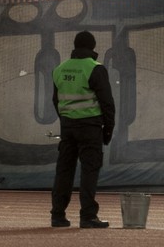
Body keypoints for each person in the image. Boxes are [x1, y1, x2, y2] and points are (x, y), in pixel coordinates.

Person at [50, 30, 116, 228]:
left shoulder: (60, 69)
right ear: (93, 47)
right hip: (90, 127)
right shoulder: (95, 68)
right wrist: (108, 129)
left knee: (64, 170)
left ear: (75, 46)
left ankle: (58, 215)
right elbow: (107, 103)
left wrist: (66, 120)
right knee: (89, 170)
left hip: (68, 127)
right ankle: (88, 216)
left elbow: (56, 100)